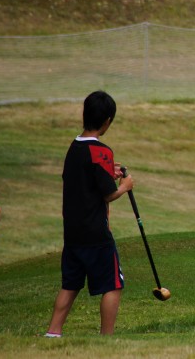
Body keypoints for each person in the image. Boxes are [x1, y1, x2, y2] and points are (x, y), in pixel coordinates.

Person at [45, 91, 134, 337]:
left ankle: (53, 332)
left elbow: (87, 178)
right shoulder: (101, 151)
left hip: (73, 232)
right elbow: (108, 195)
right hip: (96, 232)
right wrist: (125, 187)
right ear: (107, 121)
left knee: (70, 284)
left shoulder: (73, 148)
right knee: (114, 284)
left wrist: (107, 171)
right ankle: (106, 337)